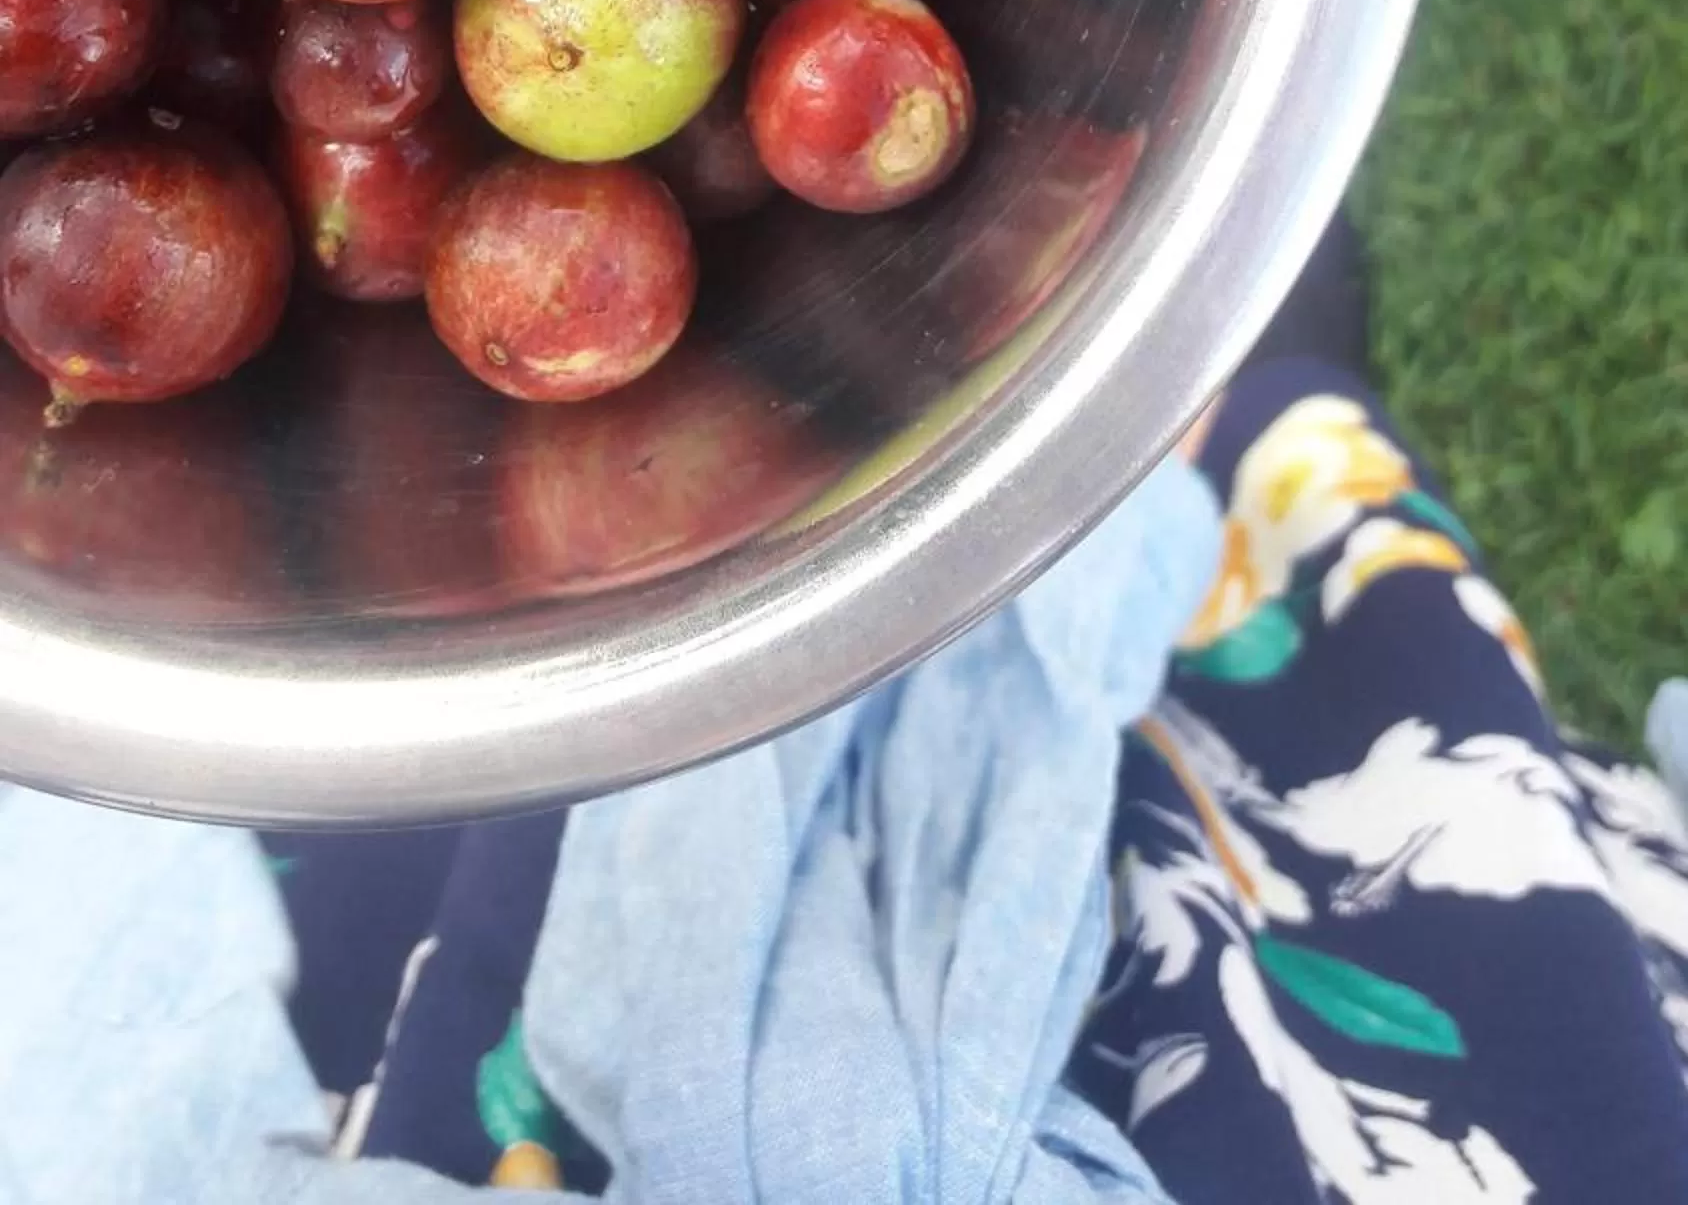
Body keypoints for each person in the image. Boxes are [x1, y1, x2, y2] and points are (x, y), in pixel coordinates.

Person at [2, 310, 1686, 1199]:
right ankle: (1232, 420)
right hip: (1460, 1078)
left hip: (463, 952)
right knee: (1295, 601)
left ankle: (1218, 434)